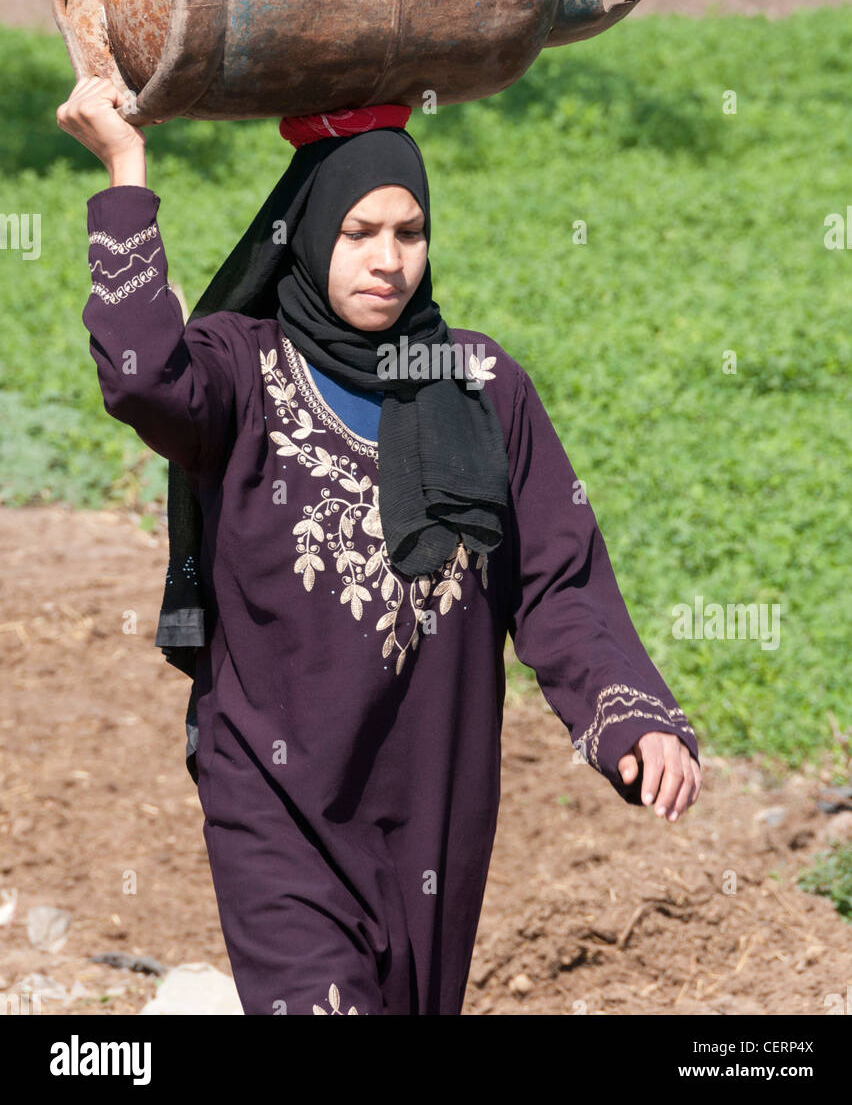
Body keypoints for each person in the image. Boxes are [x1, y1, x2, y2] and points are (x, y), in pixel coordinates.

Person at [57, 74, 702, 1017]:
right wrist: (125, 168)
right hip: (274, 800)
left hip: (430, 801)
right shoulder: (243, 371)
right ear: (308, 237)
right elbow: (143, 377)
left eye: (409, 232)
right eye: (359, 234)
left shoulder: (481, 385)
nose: (387, 260)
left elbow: (555, 581)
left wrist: (629, 716)